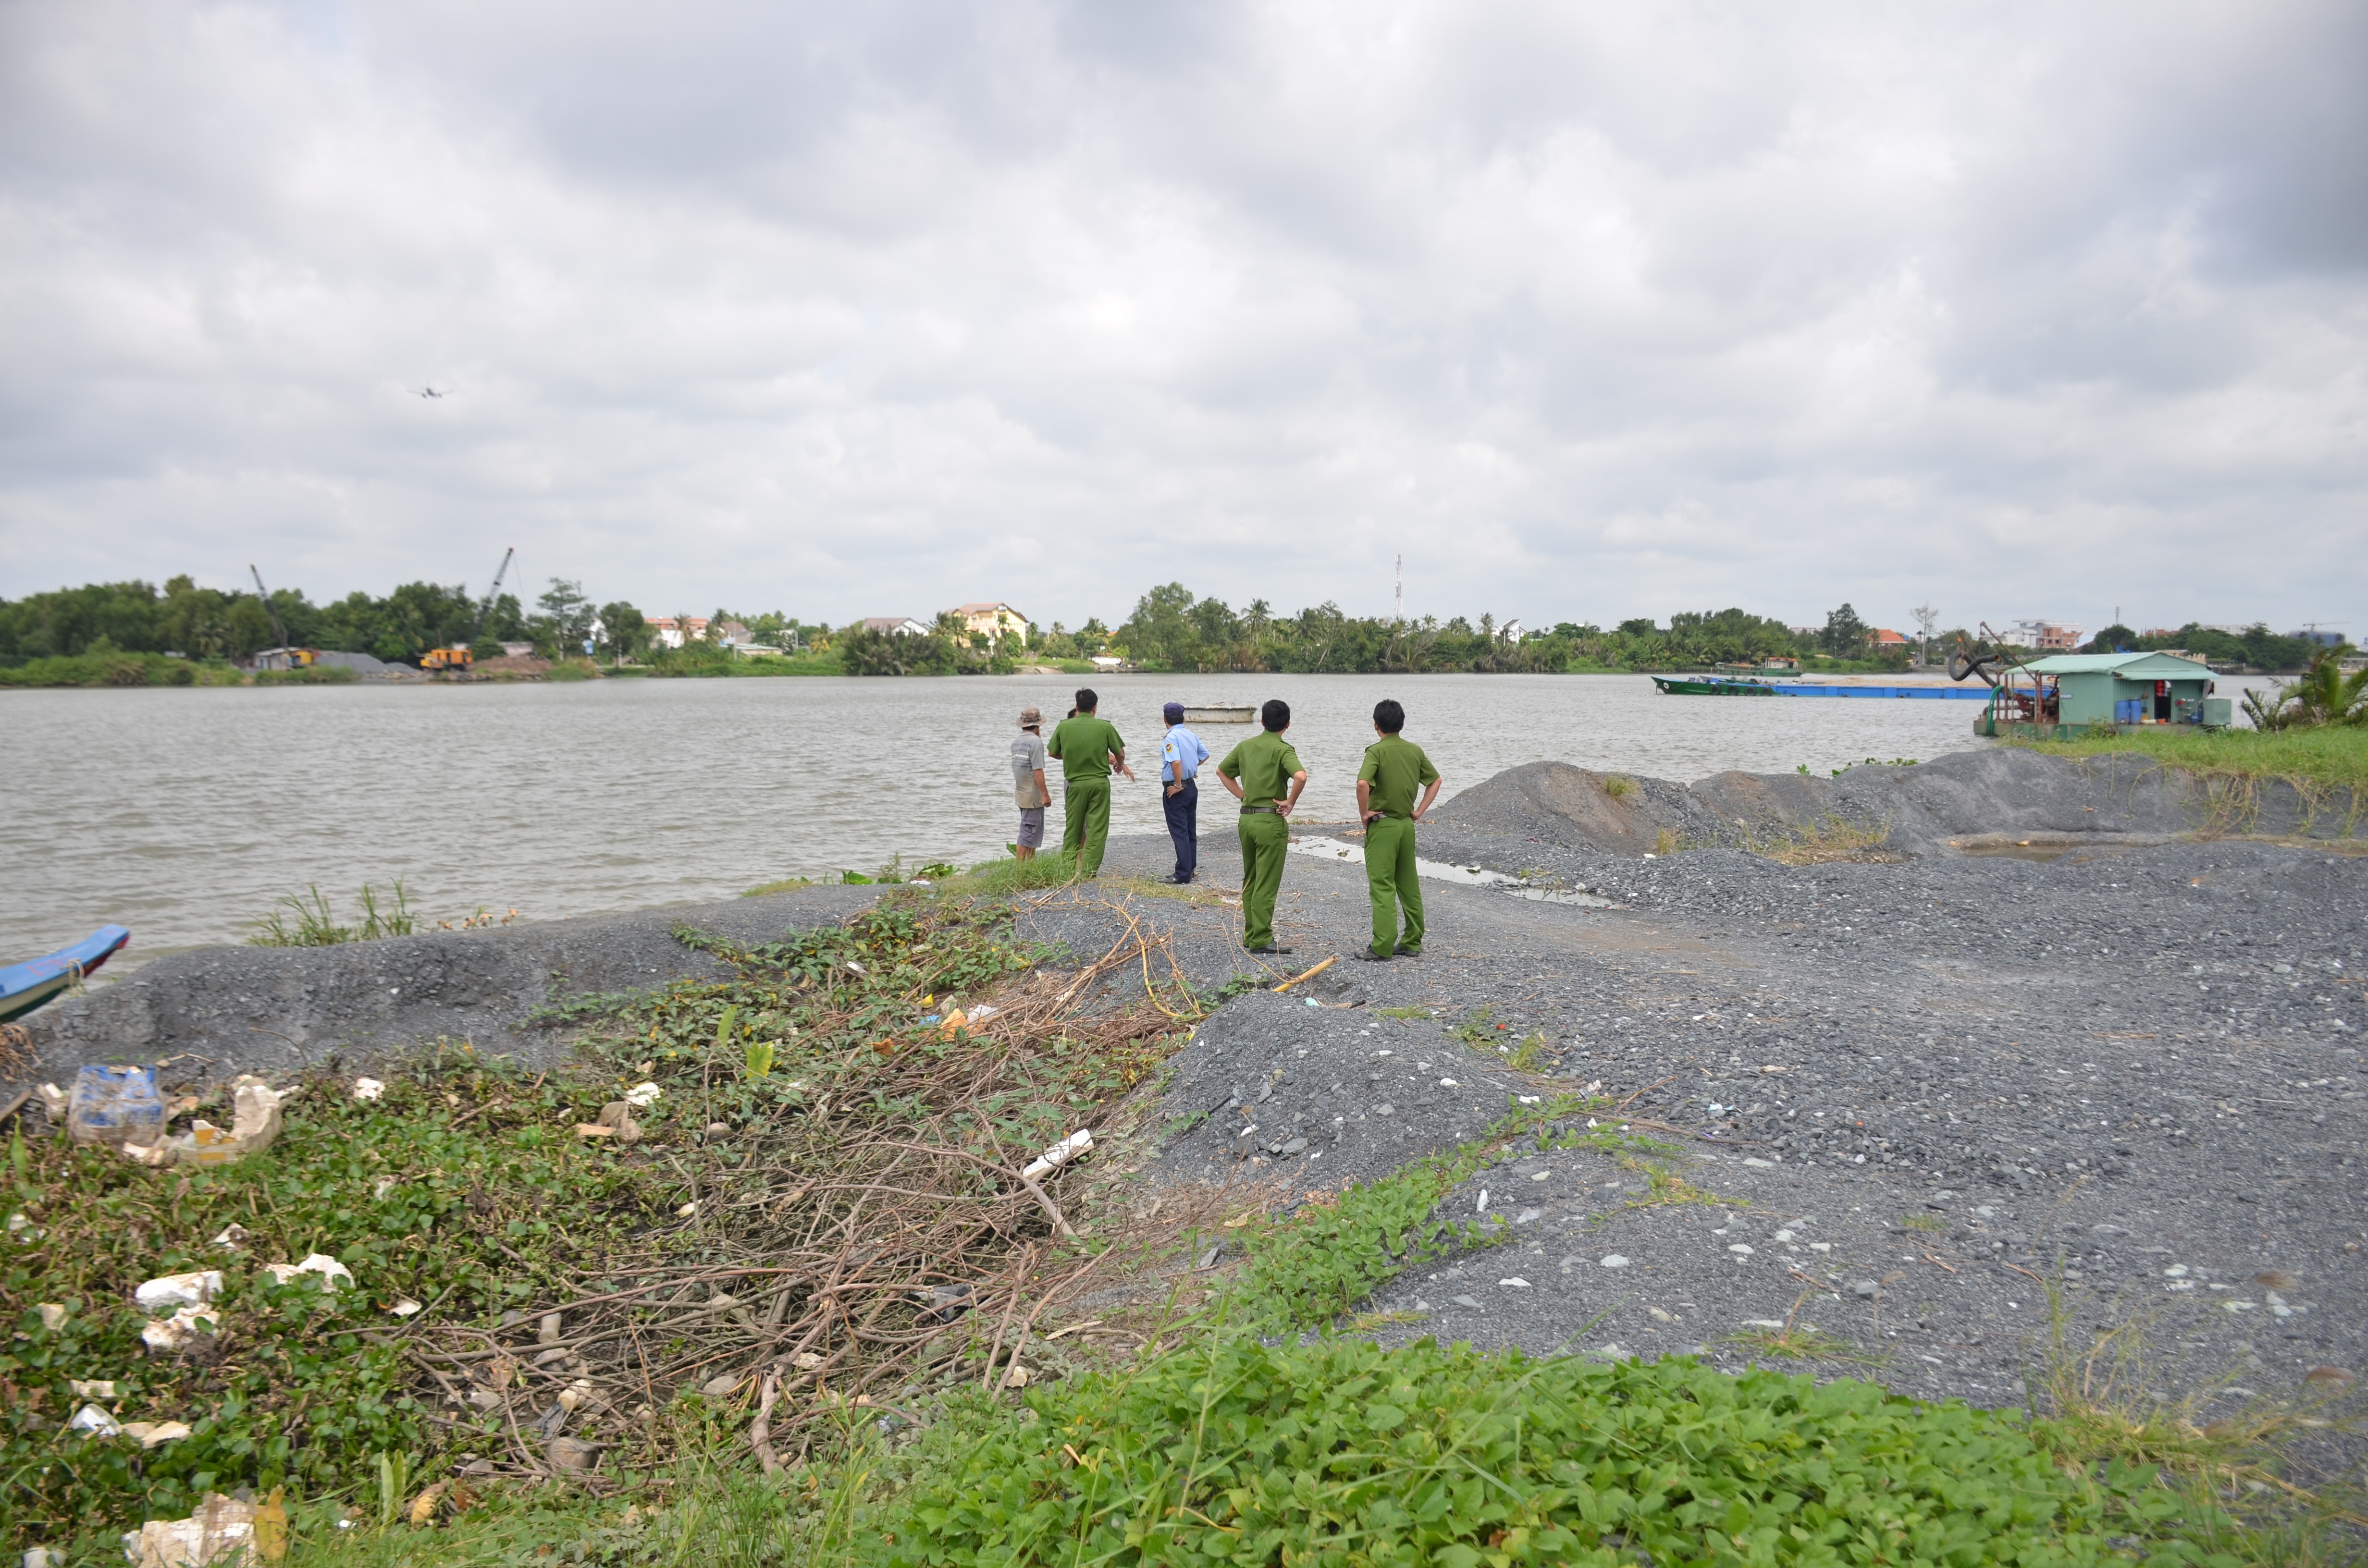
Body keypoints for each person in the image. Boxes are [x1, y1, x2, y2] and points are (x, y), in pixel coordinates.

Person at [1214, 698, 1307, 954]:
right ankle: (1262, 938)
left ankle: (1251, 934)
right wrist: (1290, 802)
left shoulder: (1245, 746)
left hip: (1246, 819)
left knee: (1251, 878)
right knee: (1266, 881)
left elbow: (1222, 772)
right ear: (1287, 725)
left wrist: (1243, 795)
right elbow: (1300, 776)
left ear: (1263, 721)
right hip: (1270, 822)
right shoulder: (1283, 750)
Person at [1354, 698, 1442, 961]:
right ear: (1402, 724)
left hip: (1383, 825)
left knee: (1382, 886)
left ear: (1376, 726)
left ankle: (1382, 946)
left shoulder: (1376, 752)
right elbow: (1436, 781)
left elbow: (1362, 784)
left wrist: (1364, 814)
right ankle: (1413, 941)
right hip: (1406, 824)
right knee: (1408, 884)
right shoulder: (1415, 751)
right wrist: (1419, 811)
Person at [1045, 688, 1132, 876]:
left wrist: (1070, 755)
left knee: (1073, 829)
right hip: (1099, 784)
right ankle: (1088, 873)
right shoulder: (1105, 727)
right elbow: (1121, 753)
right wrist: (1120, 764)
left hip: (1075, 784)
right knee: (1097, 830)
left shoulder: (1064, 726)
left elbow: (1052, 753)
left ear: (1077, 706)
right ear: (1095, 708)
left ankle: (1068, 871)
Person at [1157, 700, 1209, 884]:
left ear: (1165, 719)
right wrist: (1192, 769)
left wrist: (1178, 785)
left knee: (1179, 831)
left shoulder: (1171, 738)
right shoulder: (1191, 735)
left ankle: (1182, 874)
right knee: (1189, 831)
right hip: (1191, 788)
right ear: (1184, 718)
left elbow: (1176, 763)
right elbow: (1204, 755)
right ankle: (1190, 868)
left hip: (1176, 789)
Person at [1010, 707, 1050, 863]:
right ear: (1037, 726)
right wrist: (1045, 794)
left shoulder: (1017, 742)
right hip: (1033, 796)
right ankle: (1020, 869)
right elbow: (1038, 770)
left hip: (1021, 793)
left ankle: (1031, 865)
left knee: (1032, 831)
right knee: (1027, 832)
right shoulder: (1036, 742)